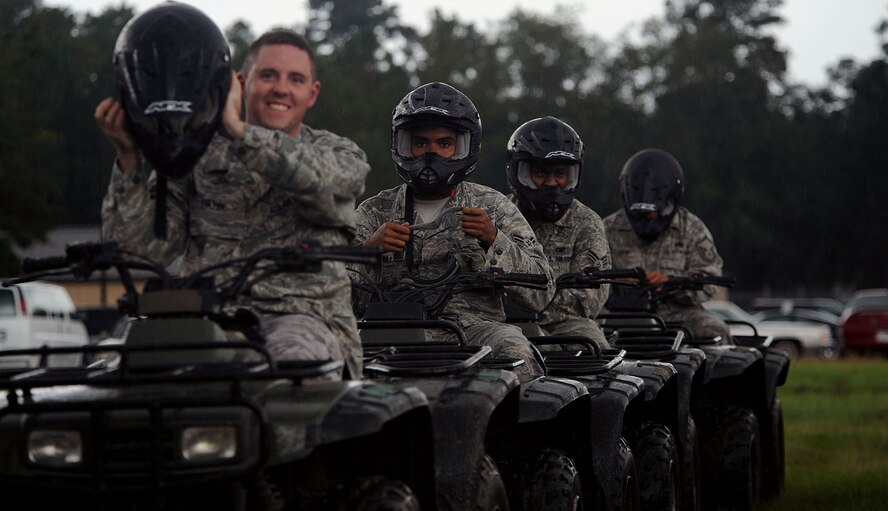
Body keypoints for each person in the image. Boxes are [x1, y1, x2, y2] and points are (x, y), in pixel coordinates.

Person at [97, 10, 370, 379]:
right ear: (241, 83)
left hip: (303, 322)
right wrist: (130, 159)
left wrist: (239, 132)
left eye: (296, 79)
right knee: (115, 375)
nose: (281, 89)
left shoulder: (339, 155)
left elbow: (318, 182)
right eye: (268, 75)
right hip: (203, 321)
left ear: (312, 93)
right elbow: (140, 253)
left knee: (290, 377)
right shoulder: (198, 158)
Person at [353, 82, 554, 382]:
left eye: (444, 144)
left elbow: (542, 292)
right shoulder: (373, 212)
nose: (431, 153)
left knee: (517, 354)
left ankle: (506, 430)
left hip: (474, 332)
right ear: (403, 145)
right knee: (324, 355)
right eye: (420, 143)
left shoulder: (493, 207)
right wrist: (369, 252)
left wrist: (493, 239)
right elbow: (335, 298)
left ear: (463, 147)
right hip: (390, 334)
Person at [505, 116, 612, 349]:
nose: (552, 183)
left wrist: (533, 311)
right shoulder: (499, 215)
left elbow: (590, 297)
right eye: (541, 173)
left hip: (567, 325)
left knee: (595, 350)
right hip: (503, 323)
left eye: (560, 174)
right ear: (519, 172)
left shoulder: (586, 222)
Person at [603, 148, 731, 343]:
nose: (650, 216)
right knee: (585, 337)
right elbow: (587, 277)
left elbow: (710, 280)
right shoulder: (607, 228)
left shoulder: (691, 228)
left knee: (716, 331)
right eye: (642, 212)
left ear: (671, 199)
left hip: (677, 316)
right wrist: (618, 283)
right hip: (617, 315)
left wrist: (670, 283)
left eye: (657, 208)